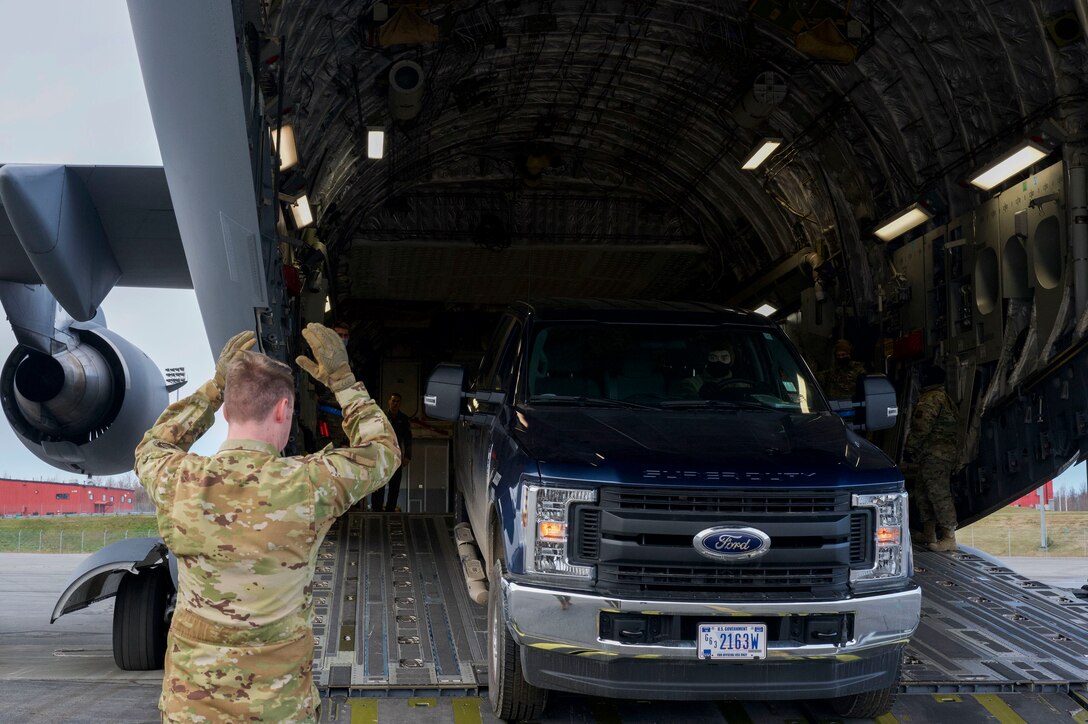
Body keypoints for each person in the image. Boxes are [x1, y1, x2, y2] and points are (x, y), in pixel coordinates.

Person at [134, 324, 400, 723]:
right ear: (283, 410)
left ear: (226, 411)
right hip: (279, 708)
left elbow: (151, 447)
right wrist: (343, 383)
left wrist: (213, 387)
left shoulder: (178, 481)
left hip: (190, 707)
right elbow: (382, 451)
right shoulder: (308, 484)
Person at [903, 363, 959, 552]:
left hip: (935, 455)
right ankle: (929, 534)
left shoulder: (930, 399)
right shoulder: (944, 397)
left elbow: (921, 427)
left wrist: (910, 448)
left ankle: (949, 537)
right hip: (934, 455)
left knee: (938, 494)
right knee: (923, 493)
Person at [371, 392, 413, 512]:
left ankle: (390, 510)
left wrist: (408, 456)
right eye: (393, 401)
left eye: (397, 401)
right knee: (379, 484)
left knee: (394, 485)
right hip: (381, 455)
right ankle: (376, 509)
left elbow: (408, 438)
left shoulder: (403, 419)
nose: (395, 404)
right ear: (389, 401)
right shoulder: (381, 416)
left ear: (400, 404)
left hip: (396, 456)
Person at [679, 346, 743, 399]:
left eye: (724, 358)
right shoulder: (692, 383)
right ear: (706, 359)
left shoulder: (739, 385)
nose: (718, 361)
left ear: (731, 361)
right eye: (713, 358)